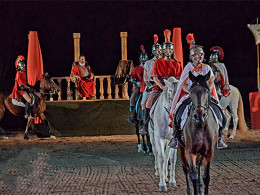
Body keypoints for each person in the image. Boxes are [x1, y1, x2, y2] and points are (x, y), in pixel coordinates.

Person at [168, 33, 227, 149]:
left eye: (200, 55)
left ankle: (220, 137)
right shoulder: (188, 68)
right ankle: (175, 137)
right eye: (195, 55)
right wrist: (190, 92)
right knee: (178, 111)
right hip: (191, 95)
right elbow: (183, 85)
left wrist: (205, 91)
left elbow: (211, 83)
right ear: (192, 57)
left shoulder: (207, 68)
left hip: (205, 95)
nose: (198, 57)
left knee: (221, 111)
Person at [140, 29, 183, 135]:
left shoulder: (177, 63)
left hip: (173, 88)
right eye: (166, 49)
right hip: (159, 87)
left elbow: (180, 78)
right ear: (163, 50)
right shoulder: (158, 62)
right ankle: (145, 126)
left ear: (172, 50)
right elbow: (154, 78)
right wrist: (163, 87)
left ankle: (184, 126)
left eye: (170, 49)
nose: (168, 51)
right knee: (148, 103)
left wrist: (174, 86)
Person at [139, 34, 162, 134]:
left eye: (159, 50)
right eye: (155, 50)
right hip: (151, 86)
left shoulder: (163, 61)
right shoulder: (148, 63)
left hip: (163, 85)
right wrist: (149, 87)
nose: (157, 52)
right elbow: (145, 78)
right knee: (144, 103)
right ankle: (145, 125)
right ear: (153, 51)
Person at [127, 45, 147, 125]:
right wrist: (136, 83)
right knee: (132, 98)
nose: (143, 60)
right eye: (142, 58)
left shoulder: (149, 66)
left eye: (145, 58)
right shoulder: (136, 69)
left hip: (148, 87)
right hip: (139, 87)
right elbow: (131, 79)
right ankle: (133, 116)